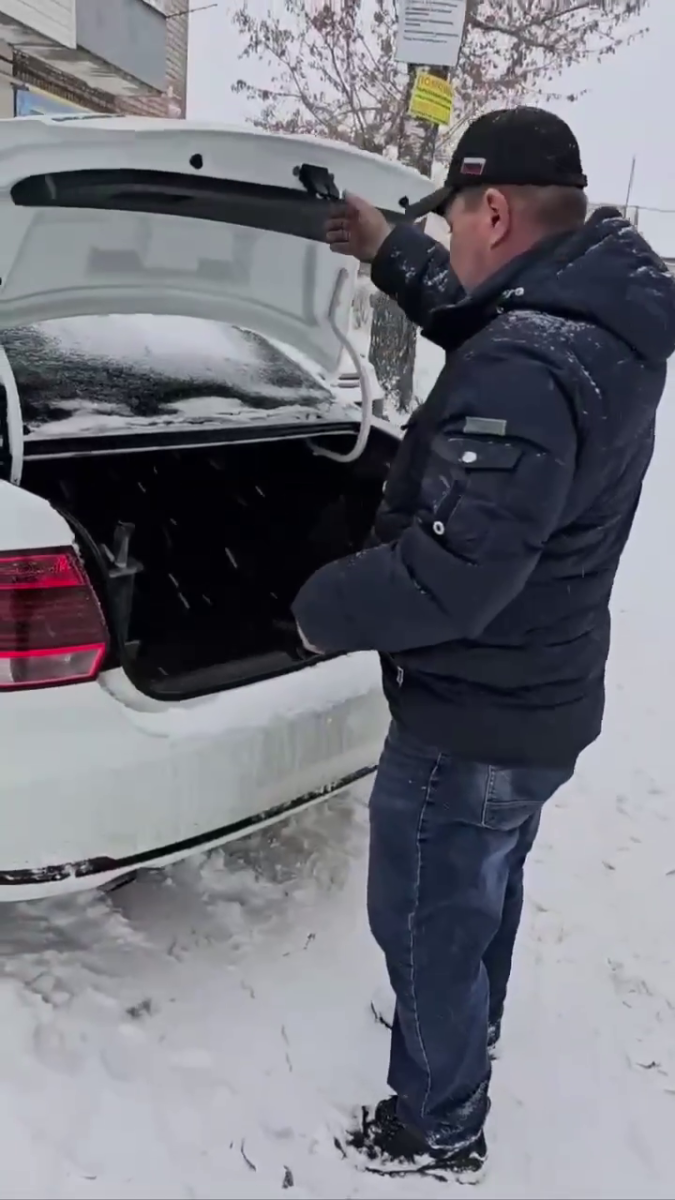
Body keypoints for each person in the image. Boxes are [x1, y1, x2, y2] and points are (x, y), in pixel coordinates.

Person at [292, 107, 675, 1178]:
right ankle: (470, 1026)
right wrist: (391, 251)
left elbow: (453, 577)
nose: (455, 247)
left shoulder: (526, 367)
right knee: (484, 886)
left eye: (457, 222)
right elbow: (487, 316)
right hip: (538, 698)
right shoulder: (601, 319)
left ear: (494, 209)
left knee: (424, 918)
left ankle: (436, 1124)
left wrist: (317, 608)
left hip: (474, 714)